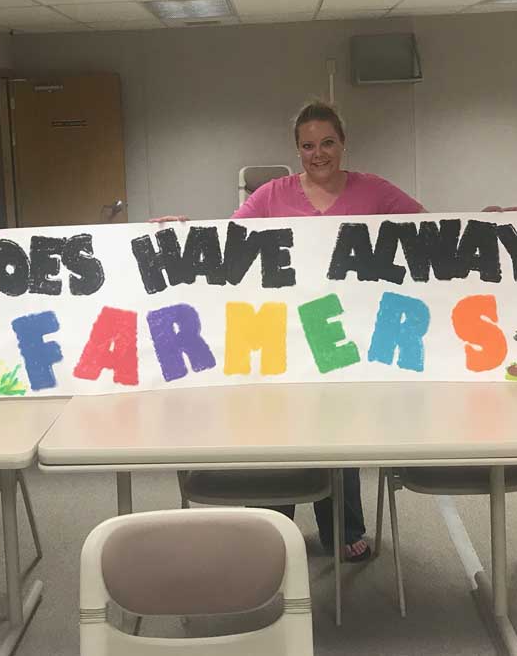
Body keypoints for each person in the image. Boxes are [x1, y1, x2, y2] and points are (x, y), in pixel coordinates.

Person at [155, 100, 425, 562]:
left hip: (346, 333)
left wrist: (493, 222)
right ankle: (270, 531)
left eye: (327, 143)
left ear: (343, 143)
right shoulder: (272, 195)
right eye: (307, 145)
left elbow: (432, 228)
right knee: (276, 433)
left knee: (338, 435)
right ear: (296, 149)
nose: (318, 153)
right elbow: (228, 243)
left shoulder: (374, 191)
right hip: (283, 335)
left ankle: (343, 531)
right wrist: (184, 233)